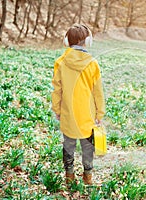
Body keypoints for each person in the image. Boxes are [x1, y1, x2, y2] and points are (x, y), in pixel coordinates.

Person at [51, 24, 105, 185]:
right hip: (87, 115)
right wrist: (99, 113)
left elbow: (57, 90)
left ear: (66, 41)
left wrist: (57, 109)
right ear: (87, 42)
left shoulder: (60, 62)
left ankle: (69, 175)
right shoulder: (92, 63)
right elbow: (98, 91)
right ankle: (87, 177)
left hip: (68, 113)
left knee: (68, 145)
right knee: (87, 147)